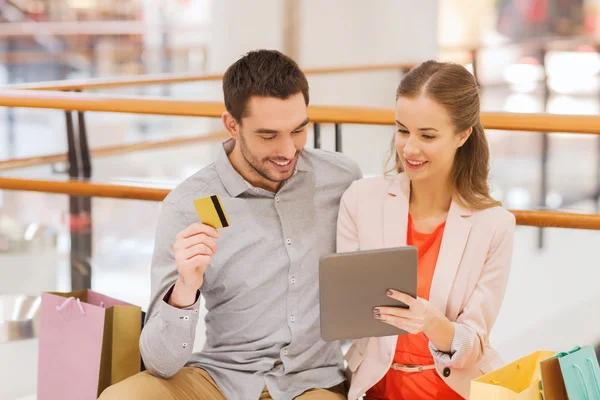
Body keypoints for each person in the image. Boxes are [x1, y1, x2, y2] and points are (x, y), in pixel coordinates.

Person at [99, 49, 362, 400]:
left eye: (298, 130)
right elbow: (160, 363)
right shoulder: (188, 205)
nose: (288, 150)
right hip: (223, 377)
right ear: (231, 124)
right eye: (268, 136)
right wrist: (185, 288)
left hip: (312, 381)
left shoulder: (341, 178)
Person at [336, 60, 516, 400]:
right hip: (374, 387)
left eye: (428, 135)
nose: (410, 148)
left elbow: (473, 345)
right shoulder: (362, 199)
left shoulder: (494, 225)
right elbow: (346, 309)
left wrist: (432, 323)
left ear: (462, 134)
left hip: (453, 390)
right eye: (403, 130)